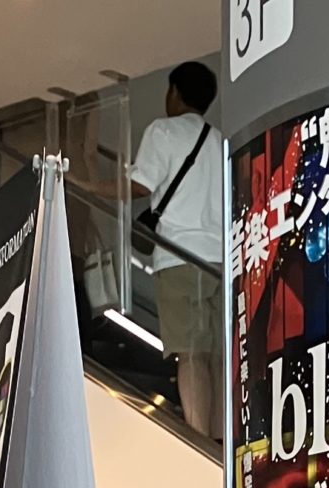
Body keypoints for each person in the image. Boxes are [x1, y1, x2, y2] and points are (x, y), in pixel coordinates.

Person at [83, 62, 224, 437]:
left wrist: (91, 186)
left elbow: (139, 185)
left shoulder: (163, 131)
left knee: (190, 353)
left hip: (178, 257)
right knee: (216, 355)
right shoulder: (219, 142)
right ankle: (221, 439)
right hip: (219, 262)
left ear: (174, 93)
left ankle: (197, 438)